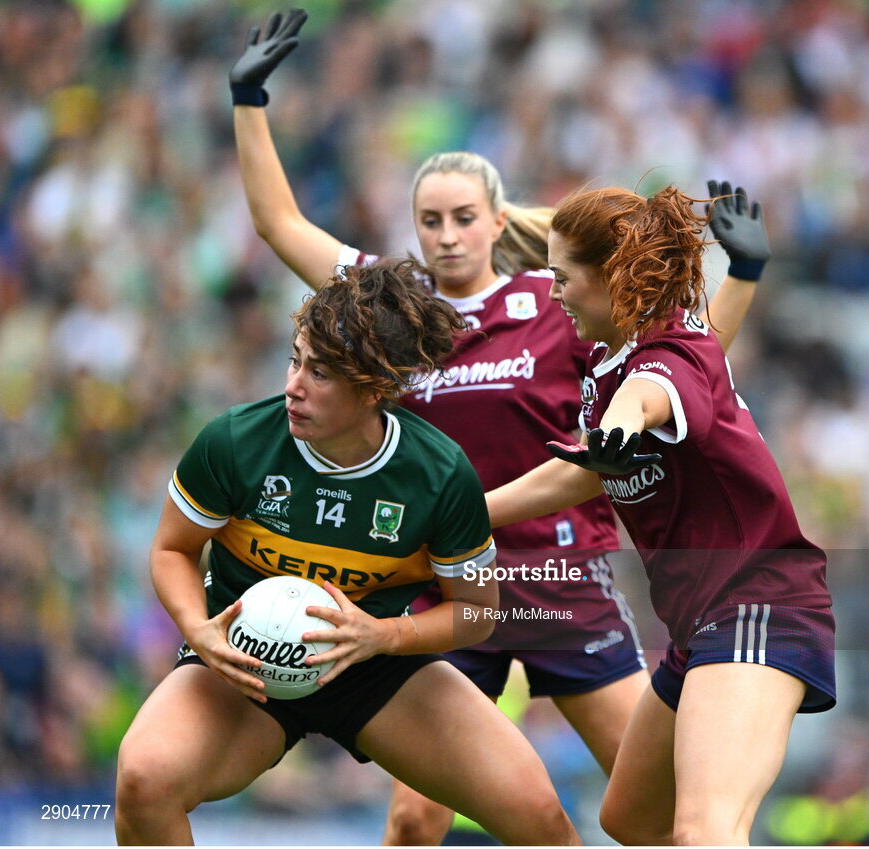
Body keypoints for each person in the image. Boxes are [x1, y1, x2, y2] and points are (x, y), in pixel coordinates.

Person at [227, 9, 770, 844]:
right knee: (414, 817)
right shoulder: (390, 305)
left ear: (496, 218)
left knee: (651, 815)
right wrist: (250, 99)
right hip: (451, 583)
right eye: (430, 221)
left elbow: (682, 367)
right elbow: (279, 225)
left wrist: (744, 274)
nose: (446, 236)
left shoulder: (554, 300)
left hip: (561, 579)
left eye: (463, 218)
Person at [114, 260, 580, 846]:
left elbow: (476, 614)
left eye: (321, 373)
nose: (293, 385)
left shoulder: (438, 474)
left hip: (376, 665)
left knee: (540, 818)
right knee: (142, 779)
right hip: (243, 665)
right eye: (295, 360)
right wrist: (196, 628)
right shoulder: (236, 441)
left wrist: (383, 637)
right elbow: (171, 551)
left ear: (376, 389)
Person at [487, 184, 836, 846]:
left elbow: (655, 391)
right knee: (632, 819)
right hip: (698, 625)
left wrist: (620, 423)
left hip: (757, 606)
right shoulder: (613, 354)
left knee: (703, 830)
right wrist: (466, 514)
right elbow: (580, 466)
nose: (555, 292)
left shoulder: (658, 362)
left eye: (563, 277)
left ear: (613, 277)